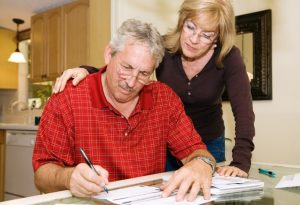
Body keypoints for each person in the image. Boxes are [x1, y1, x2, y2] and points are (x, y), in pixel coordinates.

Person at [53, 0, 255, 177]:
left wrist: (241, 163)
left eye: (206, 35)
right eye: (191, 27)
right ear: (182, 21)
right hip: (167, 139)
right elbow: (129, 66)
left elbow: (244, 112)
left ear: (217, 38)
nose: (194, 40)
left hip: (208, 141)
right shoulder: (164, 47)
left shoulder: (229, 57)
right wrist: (87, 71)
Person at [32, 19, 216, 202]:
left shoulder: (164, 99)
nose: (131, 82)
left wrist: (201, 164)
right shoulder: (67, 98)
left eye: (144, 74)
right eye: (126, 67)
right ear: (109, 54)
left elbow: (197, 152)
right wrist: (68, 178)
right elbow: (41, 176)